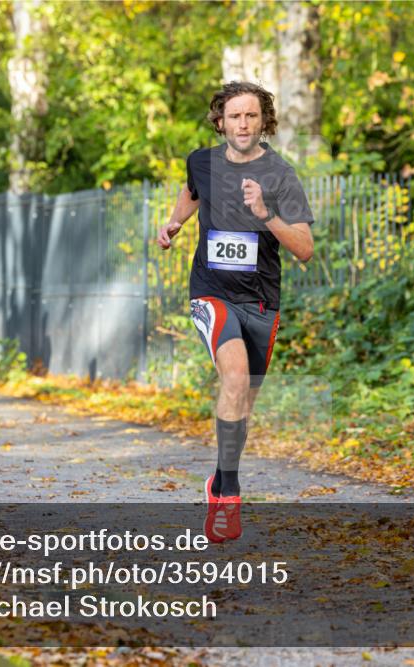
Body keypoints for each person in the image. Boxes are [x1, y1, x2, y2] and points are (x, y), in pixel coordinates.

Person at [156, 81, 314, 542]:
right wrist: (174, 223)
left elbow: (304, 249)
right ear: (220, 121)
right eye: (233, 116)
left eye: (251, 116)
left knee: (241, 405)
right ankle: (230, 496)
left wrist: (266, 213)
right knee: (235, 378)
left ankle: (219, 480)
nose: (242, 124)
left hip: (262, 300)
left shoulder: (281, 174)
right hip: (212, 292)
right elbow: (192, 193)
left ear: (264, 121)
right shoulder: (201, 161)